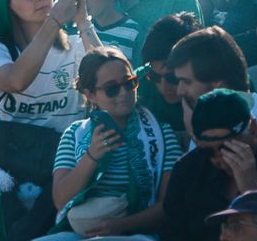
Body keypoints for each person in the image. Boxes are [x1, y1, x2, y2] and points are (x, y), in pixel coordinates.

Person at [0, 0, 101, 240]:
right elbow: (15, 81)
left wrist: (83, 21)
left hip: (66, 163)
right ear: (7, 5)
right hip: (14, 165)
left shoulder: (75, 46)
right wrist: (54, 22)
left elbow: (110, 78)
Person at [41, 45, 177, 241]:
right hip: (78, 233)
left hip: (138, 234)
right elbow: (60, 199)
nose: (124, 93)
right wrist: (91, 156)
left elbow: (168, 206)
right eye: (112, 89)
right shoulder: (74, 133)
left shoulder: (162, 133)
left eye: (129, 83)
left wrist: (121, 226)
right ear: (90, 95)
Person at [162, 89, 257, 241]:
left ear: (253, 127)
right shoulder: (189, 168)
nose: (219, 157)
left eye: (227, 147)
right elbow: (173, 233)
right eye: (208, 151)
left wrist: (253, 192)